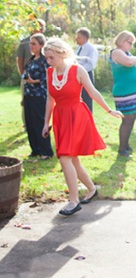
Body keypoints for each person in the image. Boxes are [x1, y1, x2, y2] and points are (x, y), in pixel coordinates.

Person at [41, 38, 123, 215]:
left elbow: (93, 92)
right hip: (60, 118)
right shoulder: (49, 72)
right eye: (46, 58)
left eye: (51, 57)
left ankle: (73, 201)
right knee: (72, 159)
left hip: (77, 116)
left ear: (62, 54)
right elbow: (50, 98)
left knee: (65, 158)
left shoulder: (78, 70)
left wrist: (109, 110)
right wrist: (46, 123)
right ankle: (92, 189)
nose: (48, 61)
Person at [109, 31, 136, 158]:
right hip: (124, 91)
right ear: (123, 41)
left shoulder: (126, 54)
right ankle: (122, 149)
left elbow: (132, 67)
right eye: (130, 43)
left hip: (133, 91)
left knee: (132, 118)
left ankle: (126, 144)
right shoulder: (116, 52)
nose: (131, 46)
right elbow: (129, 63)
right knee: (127, 120)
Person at [21, 33, 53, 159]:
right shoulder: (31, 59)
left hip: (39, 96)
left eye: (34, 44)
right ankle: (35, 149)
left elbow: (48, 77)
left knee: (40, 123)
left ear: (41, 45)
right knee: (30, 123)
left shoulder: (44, 60)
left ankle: (46, 151)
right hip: (29, 95)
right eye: (30, 43)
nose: (31, 46)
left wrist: (33, 81)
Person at [74, 27, 99, 110]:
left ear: (84, 38)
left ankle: (88, 119)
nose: (76, 39)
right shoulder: (78, 48)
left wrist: (79, 70)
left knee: (86, 99)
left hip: (86, 74)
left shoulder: (91, 49)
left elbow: (91, 64)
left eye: (78, 37)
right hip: (76, 75)